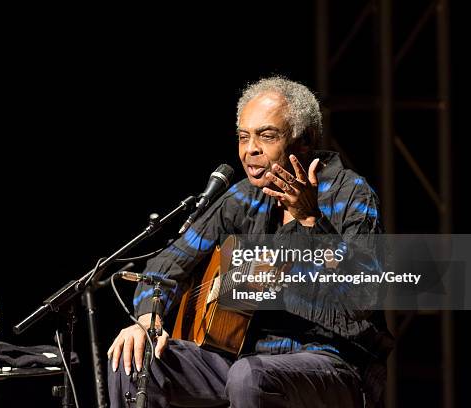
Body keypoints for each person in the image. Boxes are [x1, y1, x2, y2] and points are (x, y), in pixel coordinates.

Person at [107, 76, 394, 408]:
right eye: (244, 137)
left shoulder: (351, 193)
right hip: (245, 355)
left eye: (266, 136)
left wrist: (311, 221)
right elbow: (163, 267)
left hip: (333, 362)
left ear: (305, 141)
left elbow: (363, 297)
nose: (250, 149)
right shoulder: (242, 197)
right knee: (133, 358)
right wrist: (147, 318)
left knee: (250, 376)